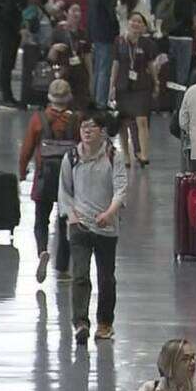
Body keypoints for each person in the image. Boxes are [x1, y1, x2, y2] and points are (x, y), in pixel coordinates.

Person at [59, 114, 128, 344]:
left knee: (106, 278)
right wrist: (71, 215)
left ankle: (105, 324)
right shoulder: (71, 157)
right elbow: (65, 191)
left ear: (102, 131)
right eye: (83, 127)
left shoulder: (113, 156)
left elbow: (121, 189)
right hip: (80, 225)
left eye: (92, 126)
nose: (87, 131)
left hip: (107, 228)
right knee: (79, 274)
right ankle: (80, 323)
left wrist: (109, 213)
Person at [18, 80, 79, 283]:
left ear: (49, 98)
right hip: (69, 179)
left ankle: (43, 250)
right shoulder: (75, 120)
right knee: (64, 223)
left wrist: (22, 171)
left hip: (44, 176)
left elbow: (26, 149)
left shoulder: (38, 119)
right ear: (68, 97)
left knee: (41, 219)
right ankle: (62, 268)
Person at [110, 12, 159, 166]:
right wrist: (111, 85)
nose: (136, 24)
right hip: (123, 85)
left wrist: (156, 81)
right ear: (128, 22)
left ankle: (144, 154)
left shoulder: (147, 43)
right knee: (123, 122)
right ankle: (126, 155)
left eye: (139, 22)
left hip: (141, 85)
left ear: (144, 26)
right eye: (133, 21)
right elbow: (115, 64)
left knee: (142, 119)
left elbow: (151, 64)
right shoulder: (120, 41)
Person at [88, 0, 120, 108]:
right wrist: (116, 30)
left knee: (98, 68)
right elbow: (112, 14)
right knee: (104, 70)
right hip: (106, 33)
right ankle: (101, 101)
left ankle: (95, 98)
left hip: (96, 32)